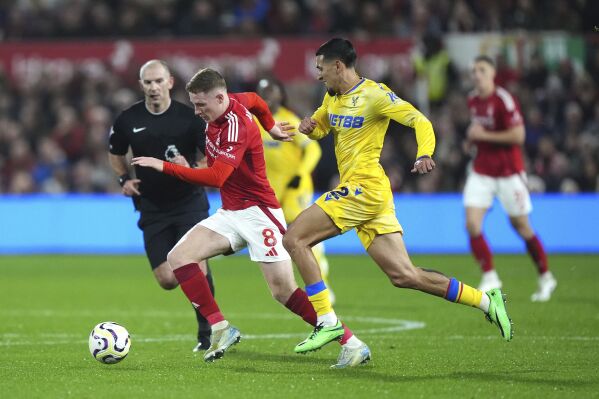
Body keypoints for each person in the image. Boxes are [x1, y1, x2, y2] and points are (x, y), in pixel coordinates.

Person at [282, 38, 513, 355]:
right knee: (404, 275)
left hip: (364, 187)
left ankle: (326, 320)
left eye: (321, 68)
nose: (318, 75)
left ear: (338, 66)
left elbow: (419, 119)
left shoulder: (375, 95)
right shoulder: (332, 96)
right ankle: (486, 300)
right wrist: (311, 127)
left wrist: (424, 153)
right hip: (369, 195)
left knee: (294, 239)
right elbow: (323, 124)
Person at [131, 68, 369, 368]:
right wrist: (270, 127)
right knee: (179, 257)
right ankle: (220, 327)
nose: (197, 111)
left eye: (201, 105)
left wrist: (165, 167)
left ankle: (351, 342)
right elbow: (257, 100)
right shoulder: (231, 102)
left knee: (283, 291)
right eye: (193, 104)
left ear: (219, 98)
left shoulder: (235, 126)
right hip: (231, 212)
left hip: (260, 215)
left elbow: (217, 177)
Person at [108, 59, 215, 352]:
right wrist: (123, 180)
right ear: (141, 85)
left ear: (170, 82)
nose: (153, 87)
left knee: (194, 262)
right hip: (152, 206)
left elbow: (210, 158)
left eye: (158, 81)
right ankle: (201, 291)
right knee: (167, 279)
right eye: (148, 82)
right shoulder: (128, 120)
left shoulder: (190, 118)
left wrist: (191, 167)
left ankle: (208, 330)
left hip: (189, 202)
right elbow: (115, 153)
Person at [464, 55, 557, 302]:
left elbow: (518, 136)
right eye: (474, 71)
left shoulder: (504, 100)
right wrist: (472, 140)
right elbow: (479, 131)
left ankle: (546, 276)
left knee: (521, 226)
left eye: (481, 70)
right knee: (472, 224)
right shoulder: (472, 100)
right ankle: (490, 275)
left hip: (508, 172)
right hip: (481, 170)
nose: (477, 75)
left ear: (493, 74)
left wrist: (483, 135)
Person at [255, 78, 334, 302]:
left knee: (306, 238)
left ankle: (323, 288)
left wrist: (300, 174)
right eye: (263, 92)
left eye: (271, 91)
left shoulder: (290, 120)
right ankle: (285, 287)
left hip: (293, 192)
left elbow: (313, 151)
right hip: (268, 193)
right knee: (274, 243)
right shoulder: (253, 121)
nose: (267, 96)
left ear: (281, 95)